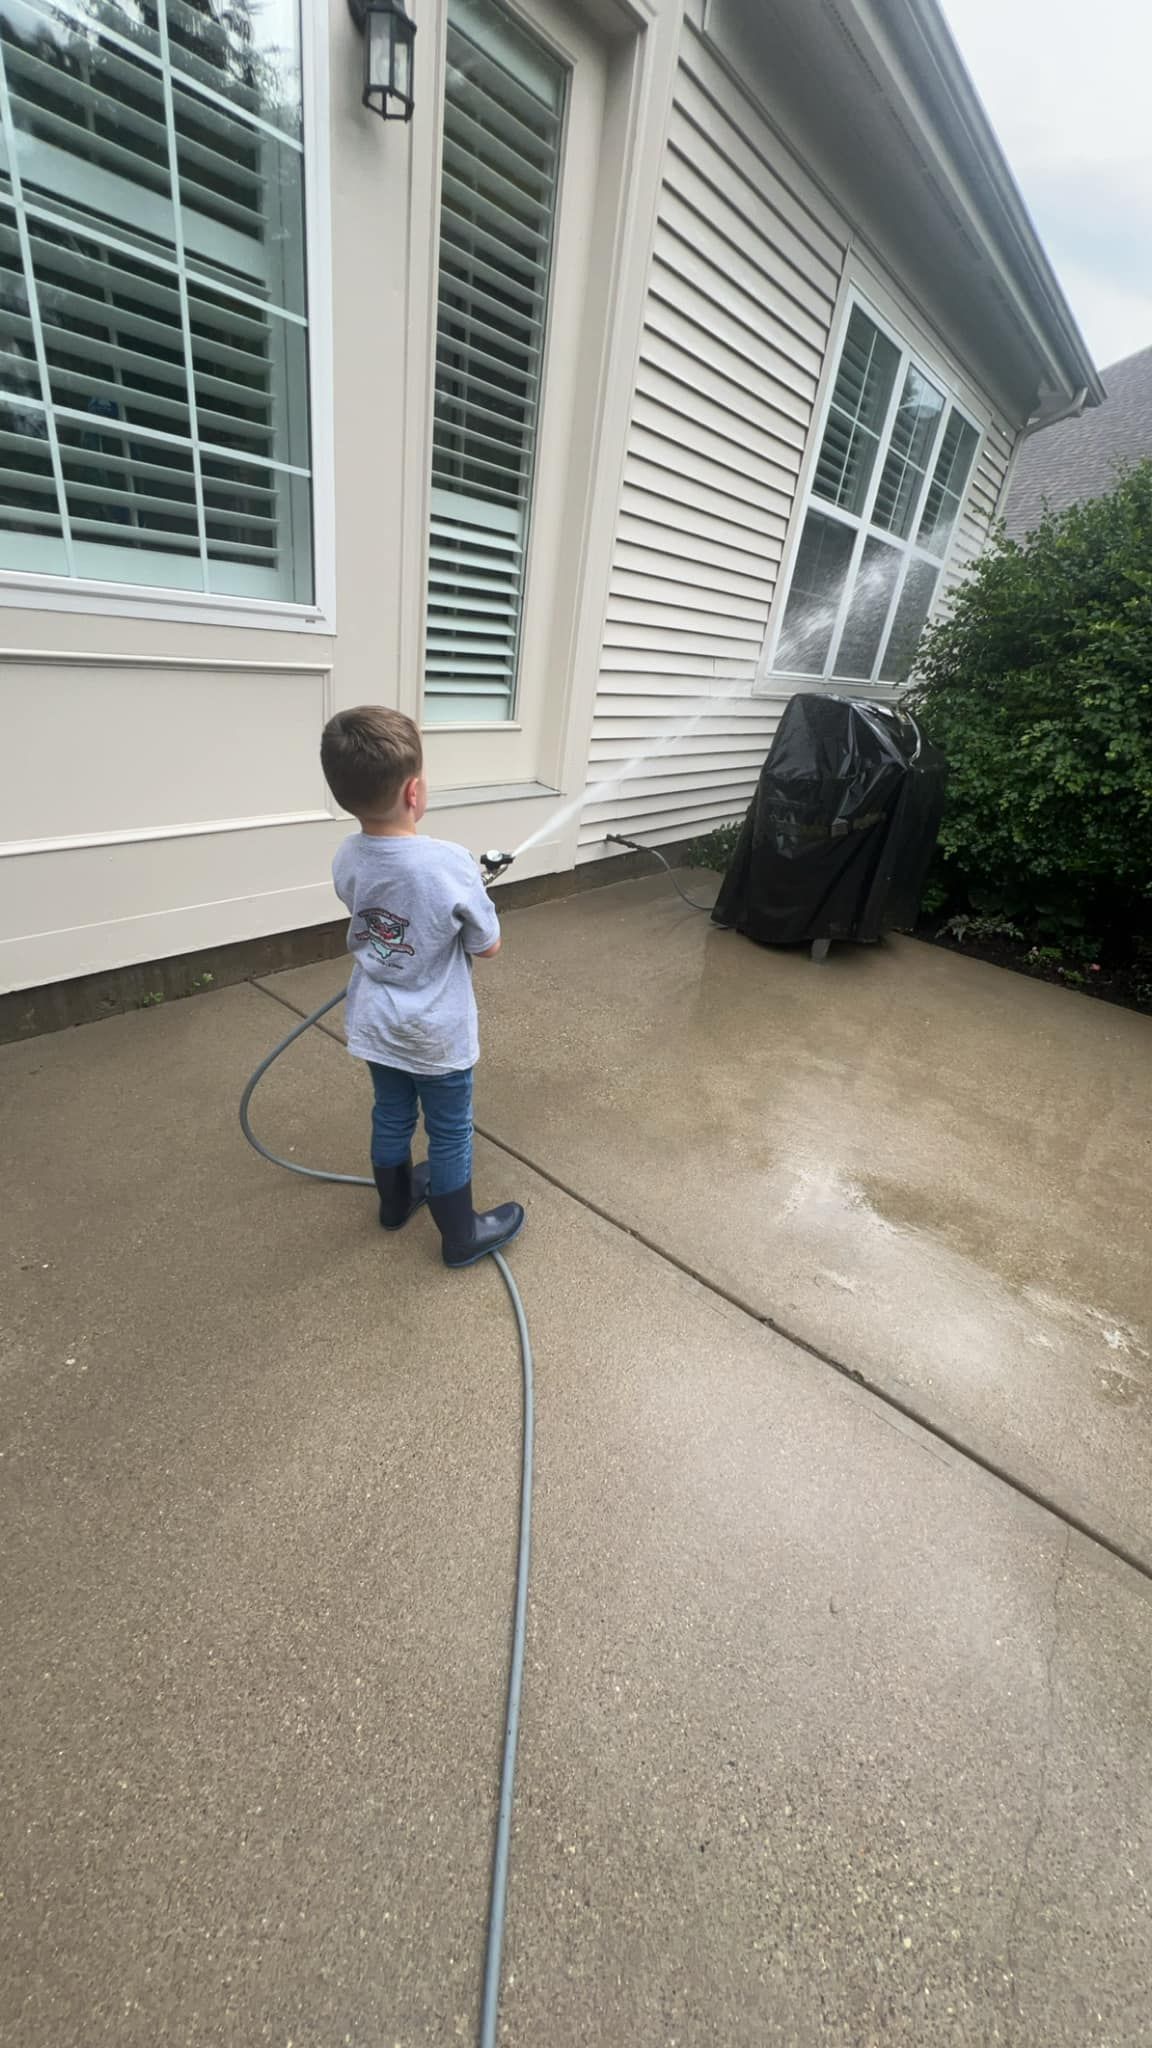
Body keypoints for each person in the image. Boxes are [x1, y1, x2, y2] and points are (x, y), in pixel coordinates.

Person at [320, 705, 523, 1268]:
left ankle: (395, 1203)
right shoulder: (449, 863)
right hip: (436, 1034)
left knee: (390, 1112)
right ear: (414, 792)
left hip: (376, 1023)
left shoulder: (346, 855)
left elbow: (388, 901)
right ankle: (461, 1235)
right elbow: (487, 944)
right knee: (451, 1130)